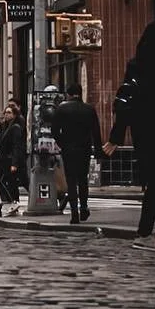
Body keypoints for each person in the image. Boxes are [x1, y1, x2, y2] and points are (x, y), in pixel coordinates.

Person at [105, 19, 155, 247]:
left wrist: (117, 136)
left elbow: (124, 101)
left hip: (145, 131)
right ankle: (150, 232)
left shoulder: (137, 66)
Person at [53, 85, 104, 224]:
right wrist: (99, 151)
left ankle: (74, 212)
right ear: (80, 94)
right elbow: (96, 132)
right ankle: (84, 207)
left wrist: (62, 142)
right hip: (84, 148)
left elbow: (55, 130)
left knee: (71, 180)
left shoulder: (62, 109)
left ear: (68, 94)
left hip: (69, 149)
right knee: (82, 179)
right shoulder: (89, 109)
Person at [0, 104, 28, 216]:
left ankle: (14, 202)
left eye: (9, 113)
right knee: (10, 182)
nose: (6, 115)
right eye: (5, 112)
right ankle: (11, 203)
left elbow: (17, 146)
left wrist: (14, 163)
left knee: (7, 182)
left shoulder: (15, 128)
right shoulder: (6, 127)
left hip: (10, 160)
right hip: (5, 160)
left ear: (14, 114)